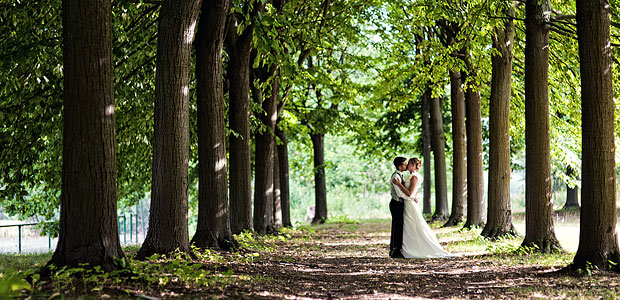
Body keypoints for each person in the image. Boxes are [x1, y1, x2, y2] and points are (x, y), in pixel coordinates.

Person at [392, 157, 454, 258]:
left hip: (409, 204)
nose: (407, 165)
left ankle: (414, 248)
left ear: (414, 166)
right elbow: (413, 192)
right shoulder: (411, 176)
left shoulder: (414, 177)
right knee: (408, 227)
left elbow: (409, 193)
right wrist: (414, 196)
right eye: (407, 163)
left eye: (409, 164)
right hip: (408, 203)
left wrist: (399, 184)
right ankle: (405, 247)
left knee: (413, 226)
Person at [389, 156, 409, 258]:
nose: (406, 166)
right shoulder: (395, 177)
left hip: (399, 203)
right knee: (397, 226)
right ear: (400, 165)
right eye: (404, 164)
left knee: (398, 226)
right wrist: (410, 196)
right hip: (396, 203)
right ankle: (395, 249)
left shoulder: (400, 176)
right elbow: (399, 193)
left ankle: (395, 248)